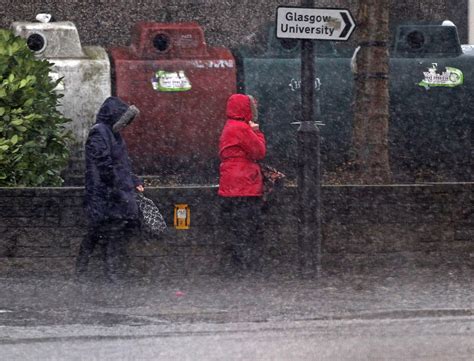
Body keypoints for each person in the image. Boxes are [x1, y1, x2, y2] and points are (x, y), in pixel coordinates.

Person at [75, 96, 144, 283]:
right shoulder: (100, 133)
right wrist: (120, 184)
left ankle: (88, 272)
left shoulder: (111, 133)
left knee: (101, 233)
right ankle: (105, 273)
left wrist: (133, 180)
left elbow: (122, 164)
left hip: (109, 193)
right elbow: (105, 164)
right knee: (101, 233)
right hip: (105, 193)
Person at [218, 93, 266, 274]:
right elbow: (259, 151)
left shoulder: (229, 126)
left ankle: (237, 267)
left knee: (236, 228)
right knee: (249, 228)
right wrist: (257, 131)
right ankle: (249, 267)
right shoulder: (242, 129)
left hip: (230, 185)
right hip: (245, 185)